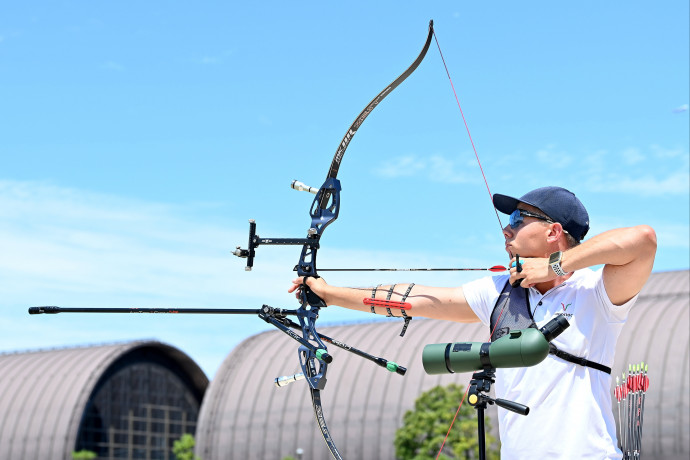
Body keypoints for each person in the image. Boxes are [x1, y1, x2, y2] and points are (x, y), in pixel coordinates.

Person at [289, 186, 657, 459]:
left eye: (517, 220)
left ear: (552, 232)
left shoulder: (596, 294)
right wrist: (331, 294)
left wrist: (554, 266)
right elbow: (415, 299)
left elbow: (643, 240)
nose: (506, 230)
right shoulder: (500, 291)